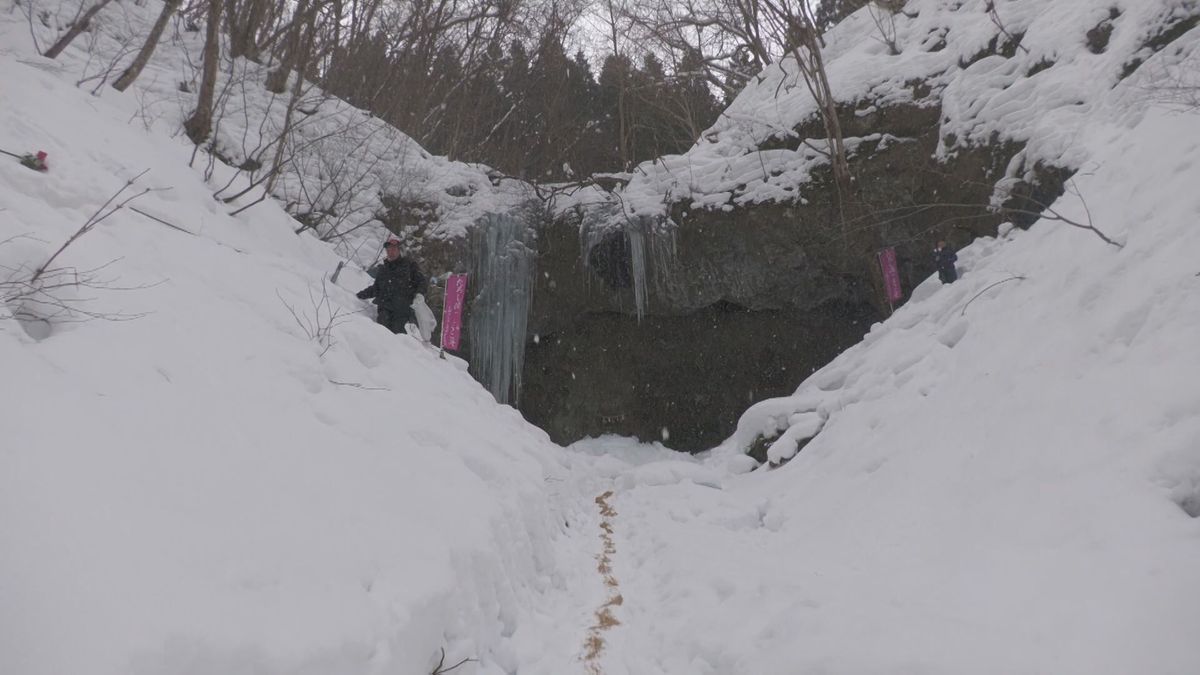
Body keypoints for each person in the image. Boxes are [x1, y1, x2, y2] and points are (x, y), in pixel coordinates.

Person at [357, 238, 428, 334]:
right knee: (381, 334)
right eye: (388, 250)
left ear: (400, 251)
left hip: (402, 311)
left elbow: (422, 282)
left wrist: (420, 294)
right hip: (384, 309)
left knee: (398, 338)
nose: (391, 252)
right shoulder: (383, 269)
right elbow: (376, 288)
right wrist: (359, 295)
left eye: (394, 249)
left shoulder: (409, 266)